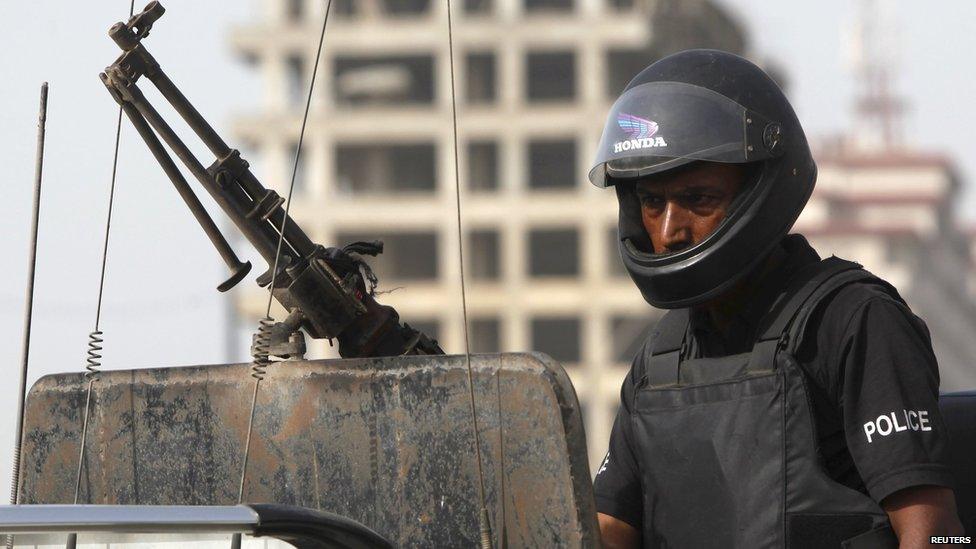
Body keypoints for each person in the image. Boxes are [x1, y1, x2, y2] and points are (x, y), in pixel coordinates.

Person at [588, 50, 964, 548]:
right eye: (652, 203)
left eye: (698, 199)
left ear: (759, 192)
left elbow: (934, 533)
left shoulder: (853, 321)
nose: (670, 230)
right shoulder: (660, 361)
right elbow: (608, 530)